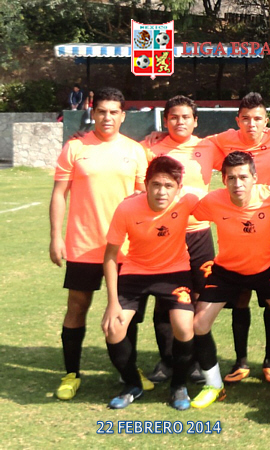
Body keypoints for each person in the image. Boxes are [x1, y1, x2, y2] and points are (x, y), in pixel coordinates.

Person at [50, 87, 148, 400]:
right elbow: (59, 195)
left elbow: (143, 199)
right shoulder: (75, 147)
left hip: (126, 249)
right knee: (77, 307)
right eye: (102, 111)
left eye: (113, 112)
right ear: (93, 113)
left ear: (123, 116)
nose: (107, 117)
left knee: (125, 312)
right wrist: (55, 237)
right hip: (83, 245)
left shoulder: (135, 151)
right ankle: (71, 374)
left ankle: (128, 371)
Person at [189, 151, 270, 409]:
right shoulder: (212, 201)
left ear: (254, 178)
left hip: (266, 268)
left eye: (243, 177)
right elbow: (184, 208)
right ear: (223, 180)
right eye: (231, 178)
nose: (237, 184)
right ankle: (214, 385)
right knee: (199, 323)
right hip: (227, 271)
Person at [205, 93, 270, 384]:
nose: (251, 124)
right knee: (240, 298)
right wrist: (156, 137)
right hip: (237, 232)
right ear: (238, 120)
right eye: (245, 118)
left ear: (267, 121)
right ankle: (241, 361)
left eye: (257, 118)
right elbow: (195, 143)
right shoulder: (224, 139)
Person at [102, 156, 200, 410]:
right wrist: (112, 303)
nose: (161, 192)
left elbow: (225, 201)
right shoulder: (127, 208)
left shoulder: (188, 200)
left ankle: (179, 385)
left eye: (168, 186)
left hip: (175, 271)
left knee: (184, 327)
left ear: (179, 188)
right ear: (146, 184)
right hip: (135, 271)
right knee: (113, 328)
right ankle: (132, 384)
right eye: (156, 184)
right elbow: (110, 256)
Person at [143, 96, 221, 385]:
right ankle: (168, 361)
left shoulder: (209, 146)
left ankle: (198, 361)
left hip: (199, 233)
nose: (180, 122)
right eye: (174, 117)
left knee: (201, 298)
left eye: (186, 117)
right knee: (166, 298)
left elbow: (248, 148)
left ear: (195, 121)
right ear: (165, 120)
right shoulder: (150, 148)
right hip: (164, 234)